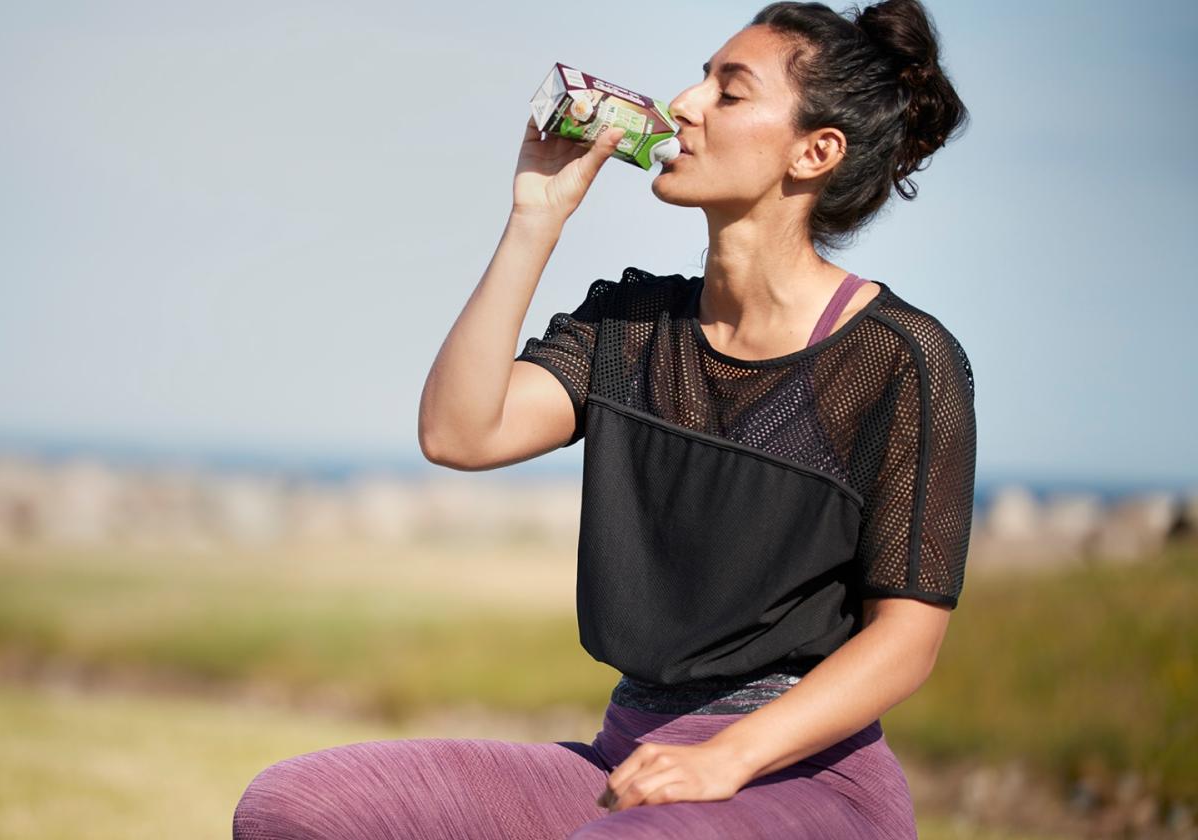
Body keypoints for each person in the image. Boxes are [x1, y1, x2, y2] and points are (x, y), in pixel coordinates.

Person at [233, 0, 974, 836]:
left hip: (807, 777)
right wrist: (535, 217)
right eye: (699, 79)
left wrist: (725, 757)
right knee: (296, 807)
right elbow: (460, 432)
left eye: (728, 94)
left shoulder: (900, 361)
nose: (684, 104)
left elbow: (906, 642)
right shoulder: (632, 328)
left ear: (816, 151)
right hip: (630, 753)